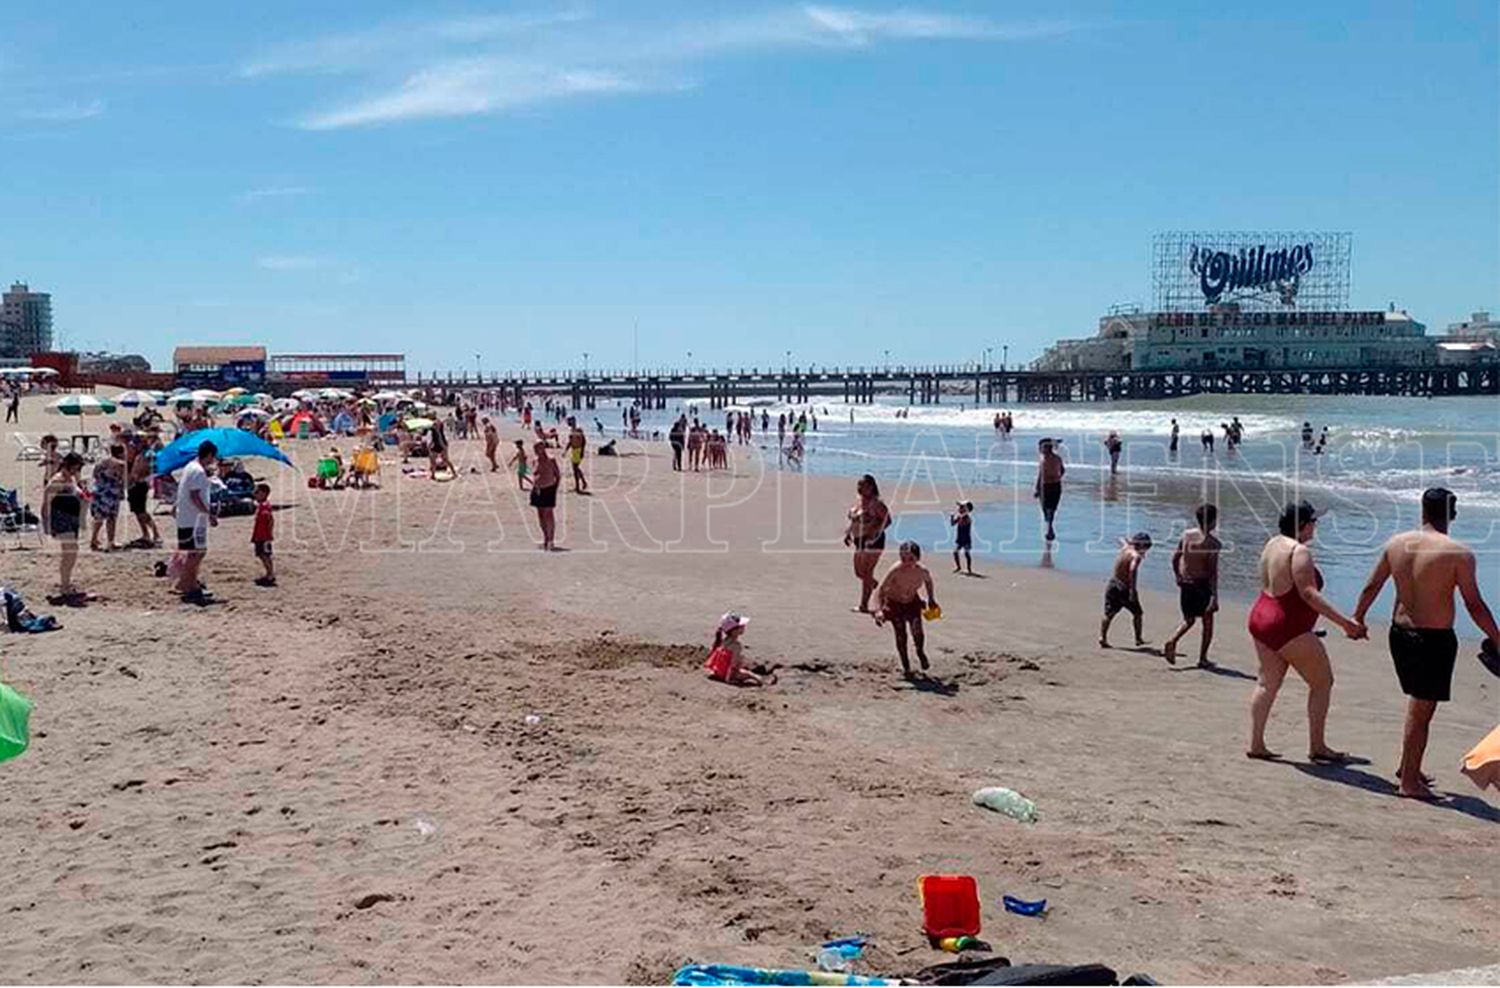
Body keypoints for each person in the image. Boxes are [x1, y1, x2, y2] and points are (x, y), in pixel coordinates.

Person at [1352, 488, 1500, 800]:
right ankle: (1408, 783)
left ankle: (1409, 767)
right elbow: (1474, 605)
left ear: (1422, 512)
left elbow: (1372, 585)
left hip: (1399, 635)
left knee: (1418, 706)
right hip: (1433, 641)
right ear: (1452, 515)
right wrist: (1498, 639)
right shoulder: (1458, 553)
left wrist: (1358, 618)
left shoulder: (1396, 544)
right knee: (1422, 711)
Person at [1246, 501, 1365, 763]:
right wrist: (1345, 623)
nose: (1315, 526)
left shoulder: (1272, 543)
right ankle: (1318, 746)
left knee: (1267, 684)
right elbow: (1309, 594)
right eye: (1313, 522)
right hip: (1286, 626)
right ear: (1302, 526)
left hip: (1261, 618)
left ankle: (1256, 743)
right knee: (1322, 682)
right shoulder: (1299, 552)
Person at [1163, 503, 1221, 667]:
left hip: (1186, 584)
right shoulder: (1213, 544)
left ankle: (1172, 640)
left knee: (1189, 620)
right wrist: (1215, 597)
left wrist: (1178, 576)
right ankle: (1202, 658)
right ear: (1212, 522)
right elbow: (1212, 572)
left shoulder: (1186, 535)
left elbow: (1175, 558)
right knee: (1207, 624)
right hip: (1202, 586)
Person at [873, 541, 938, 680]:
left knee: (918, 632)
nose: (907, 562)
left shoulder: (923, 571)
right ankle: (906, 667)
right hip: (894, 604)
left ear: (918, 558)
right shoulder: (895, 570)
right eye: (903, 558)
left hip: (912, 602)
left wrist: (931, 599)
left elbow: (928, 582)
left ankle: (920, 652)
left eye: (911, 559)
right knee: (901, 635)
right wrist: (878, 610)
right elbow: (880, 590)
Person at [174, 440, 218, 603]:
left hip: (186, 517)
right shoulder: (198, 471)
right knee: (197, 553)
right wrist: (209, 514)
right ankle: (188, 585)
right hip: (194, 519)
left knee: (193, 552)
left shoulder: (190, 467)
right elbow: (195, 496)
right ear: (209, 455)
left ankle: (187, 583)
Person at [40, 452, 85, 601]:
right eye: (76, 468)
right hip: (61, 519)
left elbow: (77, 491)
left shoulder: (70, 479)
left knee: (71, 552)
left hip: (71, 518)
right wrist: (46, 523)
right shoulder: (57, 481)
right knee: (69, 552)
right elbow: (46, 502)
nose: (77, 471)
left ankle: (66, 583)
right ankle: (64, 586)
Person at [844, 474, 891, 613]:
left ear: (871, 487)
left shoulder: (876, 504)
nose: (859, 487)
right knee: (859, 573)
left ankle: (864, 605)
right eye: (858, 484)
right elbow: (854, 521)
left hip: (873, 541)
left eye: (862, 485)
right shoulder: (859, 502)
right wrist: (848, 533)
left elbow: (887, 520)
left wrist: (875, 531)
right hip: (858, 540)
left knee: (867, 572)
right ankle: (881, 590)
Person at [1100, 532, 1151, 648]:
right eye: (1146, 547)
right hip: (1124, 587)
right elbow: (1132, 570)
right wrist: (1133, 590)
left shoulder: (1126, 548)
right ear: (1142, 545)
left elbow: (1120, 538)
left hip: (1113, 583)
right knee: (1137, 613)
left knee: (1109, 613)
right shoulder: (1136, 556)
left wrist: (1129, 542)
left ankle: (1102, 637)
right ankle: (1138, 639)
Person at [703, 612, 774, 687]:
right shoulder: (736, 646)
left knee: (744, 667)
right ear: (734, 631)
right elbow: (732, 664)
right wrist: (728, 679)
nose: (744, 626)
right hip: (727, 673)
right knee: (749, 674)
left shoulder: (725, 640)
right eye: (741, 626)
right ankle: (762, 681)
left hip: (718, 670)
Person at [88, 443, 126, 552]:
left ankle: (93, 539)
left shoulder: (101, 462)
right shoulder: (120, 464)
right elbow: (123, 480)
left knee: (98, 518)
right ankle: (110, 542)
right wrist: (122, 492)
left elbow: (95, 475)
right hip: (112, 493)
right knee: (111, 518)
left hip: (99, 491)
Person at [126, 436, 160, 547]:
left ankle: (156, 533)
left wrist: (140, 477)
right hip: (134, 484)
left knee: (142, 511)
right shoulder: (139, 455)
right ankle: (145, 533)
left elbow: (150, 469)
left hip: (140, 484)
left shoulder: (148, 454)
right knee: (137, 511)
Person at [529, 441, 561, 551]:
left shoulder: (551, 460)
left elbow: (557, 475)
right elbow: (534, 473)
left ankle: (551, 540)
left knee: (548, 514)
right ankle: (545, 538)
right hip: (537, 490)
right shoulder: (534, 460)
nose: (537, 450)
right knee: (540, 515)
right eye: (535, 448)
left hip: (549, 489)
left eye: (538, 447)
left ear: (543, 448)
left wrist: (555, 488)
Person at [1033, 438, 1064, 542]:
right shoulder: (1058, 458)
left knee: (1046, 508)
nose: (1039, 449)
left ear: (1046, 448)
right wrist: (1057, 477)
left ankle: (1049, 527)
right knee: (1052, 509)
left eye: (1041, 447)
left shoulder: (1044, 460)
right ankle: (1049, 525)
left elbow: (1041, 475)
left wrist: (1037, 488)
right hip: (1056, 484)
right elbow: (1063, 470)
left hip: (1046, 486)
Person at [251, 482, 276, 587]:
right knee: (262, 554)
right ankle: (269, 573)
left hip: (263, 536)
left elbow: (270, 520)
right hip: (260, 535)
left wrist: (269, 534)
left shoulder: (265, 506)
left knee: (265, 555)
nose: (255, 494)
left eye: (257, 492)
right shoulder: (262, 506)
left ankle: (270, 574)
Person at [950, 500, 974, 575]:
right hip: (959, 539)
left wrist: (961, 516)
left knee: (966, 553)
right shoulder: (960, 517)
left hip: (966, 539)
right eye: (960, 507)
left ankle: (969, 569)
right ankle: (958, 567)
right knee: (955, 552)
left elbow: (964, 523)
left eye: (962, 507)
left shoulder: (967, 518)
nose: (959, 508)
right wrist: (952, 517)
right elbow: (953, 524)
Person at [566, 417, 589, 493]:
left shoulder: (578, 429)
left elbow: (584, 441)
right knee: (576, 468)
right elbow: (570, 442)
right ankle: (583, 483)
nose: (568, 423)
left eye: (569, 421)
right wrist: (566, 450)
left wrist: (582, 451)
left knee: (575, 468)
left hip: (578, 450)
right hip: (574, 450)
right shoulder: (571, 431)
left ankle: (578, 486)